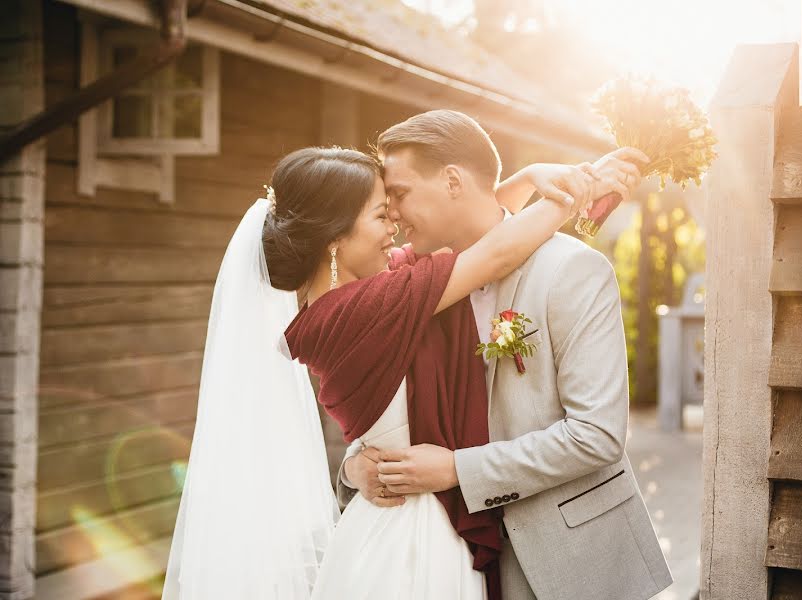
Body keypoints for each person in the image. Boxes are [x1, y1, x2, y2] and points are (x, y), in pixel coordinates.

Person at [161, 141, 634, 599]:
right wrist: (579, 189)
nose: (396, 228)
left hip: (395, 522)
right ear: (335, 236)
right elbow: (493, 254)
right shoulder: (370, 308)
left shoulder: (353, 301)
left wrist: (530, 178)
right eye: (380, 215)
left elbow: (472, 230)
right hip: (416, 539)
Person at [340, 110, 673, 600]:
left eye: (401, 193)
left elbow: (597, 435)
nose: (391, 212)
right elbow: (388, 406)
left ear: (452, 180)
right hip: (447, 562)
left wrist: (457, 470)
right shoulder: (416, 286)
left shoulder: (571, 270)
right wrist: (356, 468)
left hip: (566, 561)